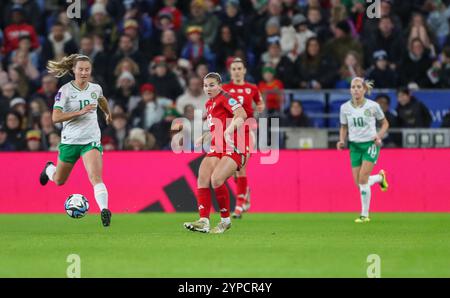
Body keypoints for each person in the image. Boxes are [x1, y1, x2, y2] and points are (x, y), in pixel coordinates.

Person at [38, 54, 113, 227]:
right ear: (73, 70)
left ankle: (104, 210)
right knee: (59, 180)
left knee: (95, 177)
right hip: (70, 141)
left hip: (91, 140)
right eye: (81, 69)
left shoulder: (96, 88)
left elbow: (101, 100)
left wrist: (107, 113)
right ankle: (49, 169)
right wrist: (79, 112)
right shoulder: (65, 91)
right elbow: (55, 117)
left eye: (87, 69)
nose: (84, 72)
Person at [184, 72, 247, 233]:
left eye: (212, 85)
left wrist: (229, 130)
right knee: (202, 178)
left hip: (233, 146)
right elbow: (217, 127)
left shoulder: (226, 97)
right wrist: (205, 136)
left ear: (219, 85)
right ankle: (204, 221)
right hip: (216, 147)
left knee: (217, 179)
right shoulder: (209, 104)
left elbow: (242, 114)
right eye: (205, 85)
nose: (208, 88)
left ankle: (225, 221)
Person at [337, 78, 390, 223]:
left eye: (359, 87)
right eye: (353, 87)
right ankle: (380, 178)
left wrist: (378, 136)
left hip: (370, 145)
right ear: (350, 90)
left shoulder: (373, 106)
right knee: (359, 183)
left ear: (364, 89)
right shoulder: (345, 108)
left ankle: (364, 215)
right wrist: (342, 140)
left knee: (362, 179)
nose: (356, 89)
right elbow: (343, 126)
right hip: (354, 146)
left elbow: (385, 123)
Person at [222, 58, 264, 218]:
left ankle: (239, 206)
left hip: (246, 132)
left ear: (244, 70)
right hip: (228, 132)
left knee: (241, 167)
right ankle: (244, 192)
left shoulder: (252, 88)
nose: (237, 71)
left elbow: (260, 104)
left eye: (240, 68)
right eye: (234, 69)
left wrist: (257, 111)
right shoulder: (224, 88)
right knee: (232, 171)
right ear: (230, 71)